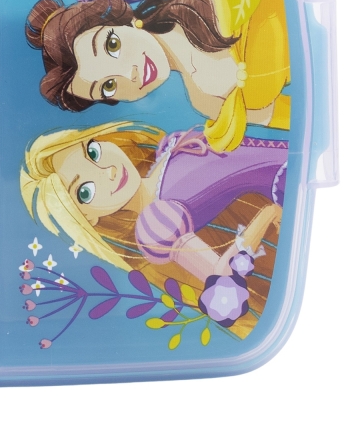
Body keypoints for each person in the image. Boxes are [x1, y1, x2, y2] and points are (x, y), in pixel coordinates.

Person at [25, 0, 289, 151]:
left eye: (112, 45)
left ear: (124, 20)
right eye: (108, 86)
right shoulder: (205, 101)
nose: (129, 74)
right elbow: (290, 116)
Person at [19, 122, 286, 336]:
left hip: (287, 161)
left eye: (92, 152)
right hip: (281, 189)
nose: (108, 171)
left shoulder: (164, 152)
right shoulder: (155, 225)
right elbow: (221, 275)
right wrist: (267, 214)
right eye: (85, 191)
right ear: (87, 219)